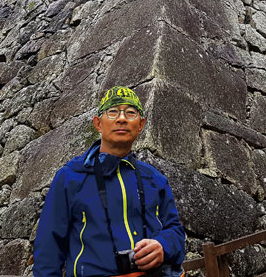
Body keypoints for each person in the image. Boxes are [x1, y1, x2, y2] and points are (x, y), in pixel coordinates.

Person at [33, 86, 186, 277]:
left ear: (141, 125)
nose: (121, 118)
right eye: (113, 112)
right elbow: (48, 248)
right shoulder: (70, 177)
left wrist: (163, 246)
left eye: (130, 113)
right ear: (98, 123)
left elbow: (176, 232)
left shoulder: (155, 179)